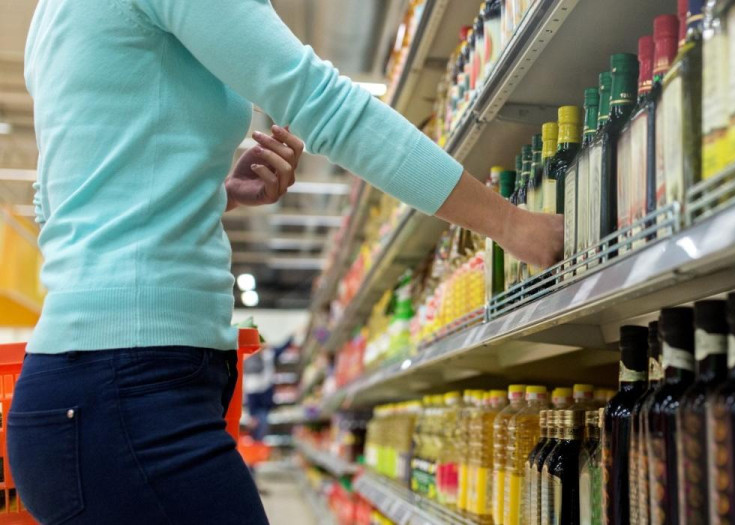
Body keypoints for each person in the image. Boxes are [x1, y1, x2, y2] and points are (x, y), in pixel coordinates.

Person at [7, 0, 562, 524]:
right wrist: (511, 226)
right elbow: (323, 103)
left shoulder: (49, 14)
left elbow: (65, 201)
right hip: (127, 395)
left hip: (83, 391)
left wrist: (206, 192)